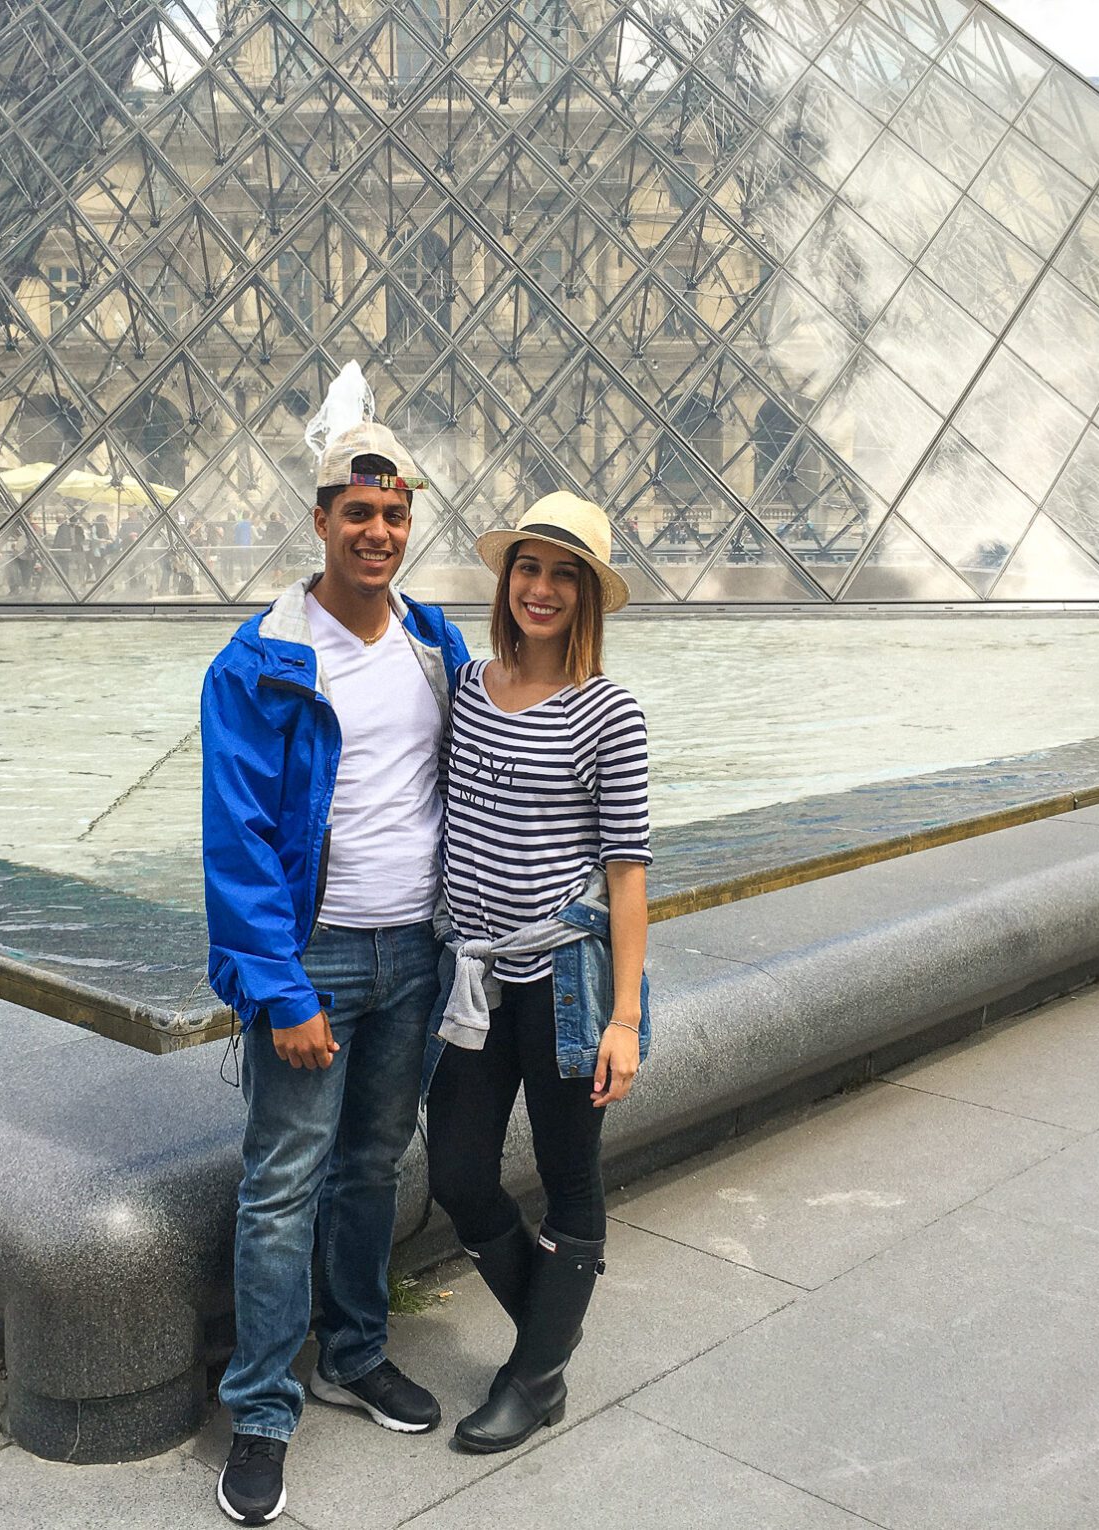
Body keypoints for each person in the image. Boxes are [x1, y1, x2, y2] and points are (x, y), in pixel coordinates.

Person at [201, 421, 472, 1526]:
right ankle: (260, 1411)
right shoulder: (256, 661)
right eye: (356, 512)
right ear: (319, 521)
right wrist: (283, 988)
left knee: (370, 1166)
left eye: (395, 513)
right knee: (279, 1187)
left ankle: (352, 1354)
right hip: (314, 959)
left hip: (414, 951)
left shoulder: (434, 643)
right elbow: (239, 840)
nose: (377, 529)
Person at [424, 490, 651, 1455]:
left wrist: (626, 1020)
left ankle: (536, 1374)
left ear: (589, 596)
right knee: (459, 1172)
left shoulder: (611, 712)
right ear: (506, 578)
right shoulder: (467, 686)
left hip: (562, 980)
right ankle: (544, 1347)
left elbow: (628, 874)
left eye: (565, 575)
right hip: (472, 975)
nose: (543, 588)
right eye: (529, 567)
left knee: (570, 1181)